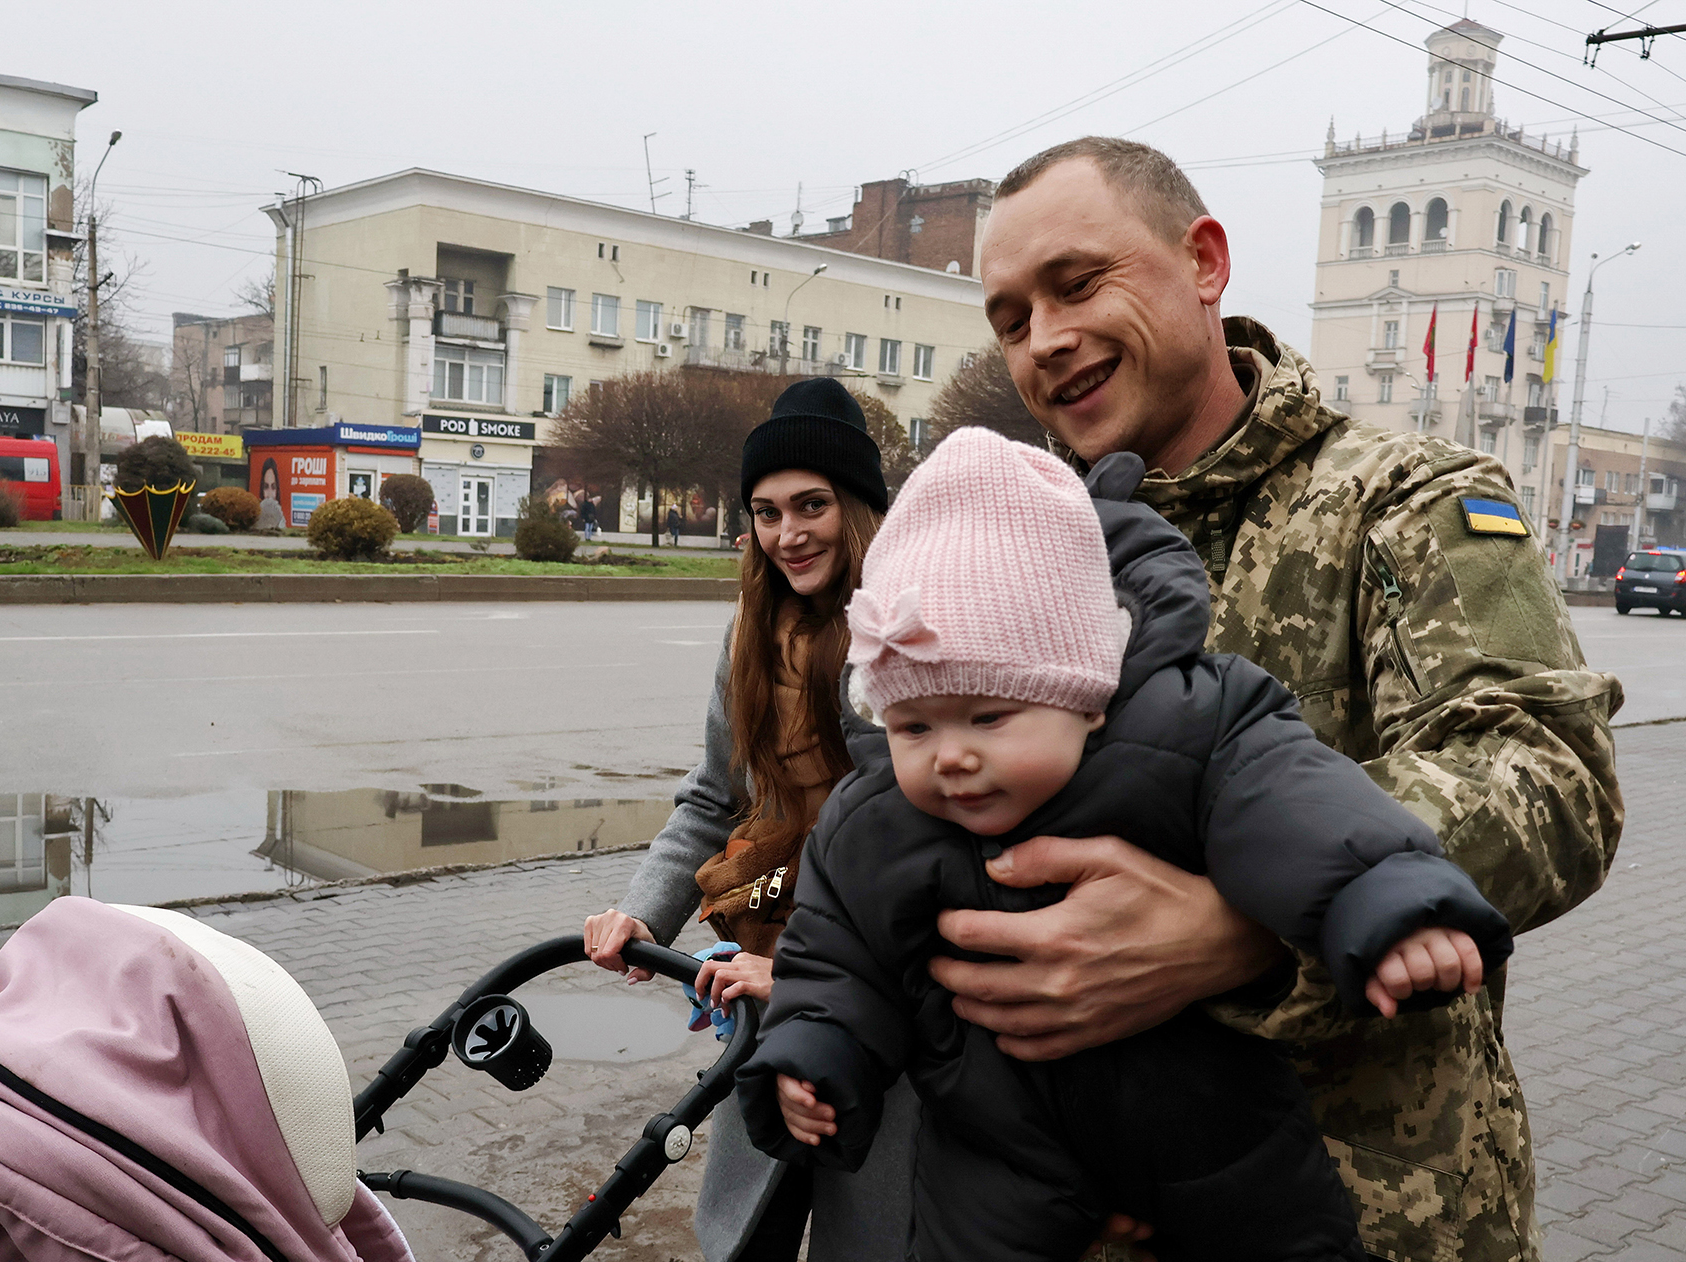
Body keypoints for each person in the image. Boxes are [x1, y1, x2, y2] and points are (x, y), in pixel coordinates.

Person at [951, 137, 1623, 1261]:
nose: (1045, 339)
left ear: (1202, 261)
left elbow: (1548, 776)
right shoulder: (1032, 548)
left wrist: (1242, 925)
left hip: (1372, 1213)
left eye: (1076, 284)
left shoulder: (1402, 500)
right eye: (1011, 318)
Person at [735, 429, 1513, 1262]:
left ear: (1086, 696)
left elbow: (1300, 805)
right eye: (913, 725)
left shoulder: (1182, 729)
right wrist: (813, 1056)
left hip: (1207, 1127)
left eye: (991, 718)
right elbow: (836, 959)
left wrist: (1385, 898)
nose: (951, 755)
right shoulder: (875, 821)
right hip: (1000, 1152)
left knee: (1287, 1235)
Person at [583, 378, 911, 1262]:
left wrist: (803, 974)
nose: (787, 533)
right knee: (748, 1230)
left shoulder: (903, 631)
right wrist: (643, 913)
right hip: (770, 974)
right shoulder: (750, 636)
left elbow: (912, 846)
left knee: (872, 1226)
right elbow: (714, 795)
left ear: (859, 508)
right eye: (766, 511)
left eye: (813, 505)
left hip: (878, 989)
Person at [255, 458, 286, 531]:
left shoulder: (282, 520)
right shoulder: (255, 520)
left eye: (273, 487)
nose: (269, 495)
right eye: (266, 487)